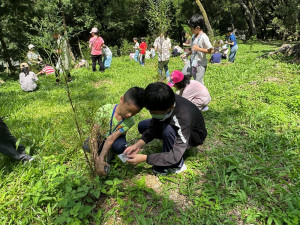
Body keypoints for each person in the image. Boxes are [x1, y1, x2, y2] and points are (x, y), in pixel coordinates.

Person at [124, 82, 207, 175]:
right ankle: (169, 143)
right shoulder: (164, 101)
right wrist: (138, 145)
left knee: (168, 131)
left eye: (156, 112)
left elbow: (175, 155)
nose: (153, 115)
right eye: (151, 112)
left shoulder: (183, 118)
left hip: (193, 136)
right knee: (143, 125)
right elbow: (154, 124)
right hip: (173, 121)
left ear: (171, 107)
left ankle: (177, 165)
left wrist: (145, 158)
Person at [83, 87, 145, 175]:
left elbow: (111, 138)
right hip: (101, 135)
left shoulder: (130, 121)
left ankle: (110, 152)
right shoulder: (104, 110)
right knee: (87, 146)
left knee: (120, 148)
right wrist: (96, 159)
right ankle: (104, 150)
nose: (129, 115)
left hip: (115, 138)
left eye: (134, 113)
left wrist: (101, 158)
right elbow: (93, 134)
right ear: (121, 99)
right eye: (128, 110)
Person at [186, 14, 213, 84]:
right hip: (194, 63)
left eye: (191, 28)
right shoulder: (193, 36)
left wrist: (199, 49)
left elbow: (211, 50)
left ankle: (202, 93)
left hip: (200, 64)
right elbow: (193, 49)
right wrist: (187, 54)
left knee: (198, 82)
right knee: (195, 79)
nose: (190, 30)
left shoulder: (204, 37)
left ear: (197, 28)